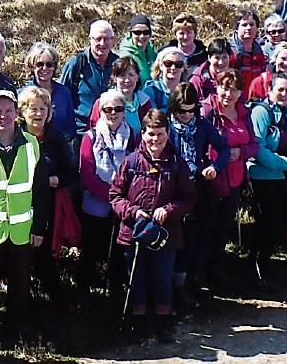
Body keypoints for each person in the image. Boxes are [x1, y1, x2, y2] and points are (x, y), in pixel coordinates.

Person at [109, 109, 196, 342]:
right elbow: (115, 195)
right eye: (150, 134)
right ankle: (137, 325)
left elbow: (188, 198)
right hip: (134, 233)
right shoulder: (130, 162)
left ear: (167, 133)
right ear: (143, 134)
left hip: (166, 235)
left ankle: (163, 322)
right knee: (136, 279)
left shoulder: (177, 164)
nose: (155, 139)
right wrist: (133, 211)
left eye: (159, 134)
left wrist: (168, 210)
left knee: (162, 280)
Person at [0, 90, 49, 336]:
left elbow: (41, 190)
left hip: (22, 230)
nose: (3, 116)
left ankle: (17, 330)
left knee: (20, 284)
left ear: (17, 114)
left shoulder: (32, 144)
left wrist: (39, 228)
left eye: (8, 111)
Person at [166, 83, 229, 306]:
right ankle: (170, 287)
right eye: (181, 111)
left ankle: (189, 281)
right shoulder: (165, 126)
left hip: (197, 186)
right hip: (171, 188)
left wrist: (215, 167)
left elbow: (224, 149)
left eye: (191, 110)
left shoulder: (202, 125)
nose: (186, 116)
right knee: (173, 238)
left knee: (195, 236)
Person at [248, 72, 287, 287]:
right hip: (261, 176)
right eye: (280, 90)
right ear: (270, 91)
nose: (284, 94)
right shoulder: (260, 112)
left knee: (277, 223)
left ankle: (268, 268)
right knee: (266, 223)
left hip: (280, 177)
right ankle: (257, 272)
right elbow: (257, 149)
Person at [17, 86, 77, 299]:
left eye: (43, 108)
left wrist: (56, 180)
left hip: (48, 206)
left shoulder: (56, 139)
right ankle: (23, 299)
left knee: (43, 252)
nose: (38, 113)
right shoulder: (16, 138)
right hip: (19, 206)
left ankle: (55, 302)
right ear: (22, 112)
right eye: (33, 108)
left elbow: (72, 172)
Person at [200, 70, 258, 288]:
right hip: (212, 179)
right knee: (207, 226)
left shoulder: (244, 113)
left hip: (235, 178)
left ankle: (216, 268)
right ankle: (200, 273)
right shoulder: (208, 111)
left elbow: (254, 144)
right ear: (217, 87)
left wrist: (241, 152)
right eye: (224, 87)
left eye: (234, 89)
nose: (228, 93)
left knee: (224, 225)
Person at [77, 90, 135, 293]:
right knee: (92, 249)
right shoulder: (90, 137)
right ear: (100, 111)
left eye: (118, 109)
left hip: (122, 205)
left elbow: (135, 167)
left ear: (124, 111)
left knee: (118, 250)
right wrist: (111, 196)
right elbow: (87, 172)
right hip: (95, 203)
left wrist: (121, 198)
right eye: (107, 109)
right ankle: (85, 291)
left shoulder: (132, 135)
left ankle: (114, 288)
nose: (113, 113)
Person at [60, 20, 119, 144]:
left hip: (112, 131)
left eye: (107, 39)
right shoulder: (77, 63)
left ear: (112, 40)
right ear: (90, 39)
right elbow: (62, 95)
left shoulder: (118, 64)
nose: (102, 43)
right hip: (81, 131)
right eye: (98, 39)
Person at [20, 42, 77, 142]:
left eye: (49, 64)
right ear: (32, 66)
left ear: (54, 67)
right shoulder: (23, 94)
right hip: (30, 145)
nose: (45, 68)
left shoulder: (64, 92)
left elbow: (70, 127)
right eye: (40, 64)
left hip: (59, 148)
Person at [89, 56, 151, 136]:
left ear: (137, 77)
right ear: (115, 78)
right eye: (122, 75)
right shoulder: (103, 102)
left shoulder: (144, 102)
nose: (127, 80)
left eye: (131, 75)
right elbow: (93, 130)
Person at [229, 9, 268, 90]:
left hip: (256, 98)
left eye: (252, 24)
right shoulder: (230, 51)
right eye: (244, 25)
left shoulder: (261, 51)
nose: (248, 28)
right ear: (236, 29)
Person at [142, 48, 187, 112]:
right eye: (168, 63)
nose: (173, 68)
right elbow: (152, 118)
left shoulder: (187, 90)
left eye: (178, 64)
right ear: (160, 66)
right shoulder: (150, 90)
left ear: (183, 68)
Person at [118, 15, 158, 84]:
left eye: (146, 32)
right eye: (137, 32)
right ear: (131, 34)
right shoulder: (126, 56)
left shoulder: (152, 52)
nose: (142, 36)